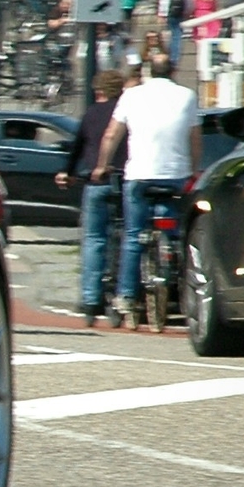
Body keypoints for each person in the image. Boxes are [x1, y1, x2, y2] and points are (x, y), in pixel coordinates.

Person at [94, 52, 202, 329]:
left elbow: (111, 135)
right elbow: (194, 137)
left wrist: (102, 166)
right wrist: (194, 170)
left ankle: (127, 296)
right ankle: (175, 274)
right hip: (175, 176)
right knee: (171, 230)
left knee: (133, 237)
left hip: (140, 176)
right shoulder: (187, 96)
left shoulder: (131, 96)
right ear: (174, 70)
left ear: (148, 72)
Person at [56, 70, 129, 326]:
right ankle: (117, 298)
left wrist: (68, 172)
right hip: (123, 181)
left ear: (98, 91)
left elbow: (77, 146)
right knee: (121, 239)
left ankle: (90, 300)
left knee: (93, 239)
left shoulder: (91, 114)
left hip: (95, 183)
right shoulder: (127, 112)